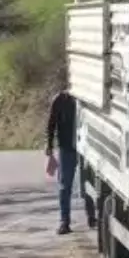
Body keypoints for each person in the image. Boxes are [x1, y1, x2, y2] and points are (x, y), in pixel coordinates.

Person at [46, 89, 95, 235]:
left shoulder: (87, 97)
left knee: (89, 183)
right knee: (64, 185)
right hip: (67, 148)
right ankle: (64, 221)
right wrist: (49, 145)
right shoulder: (60, 100)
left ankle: (91, 216)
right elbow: (51, 123)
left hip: (86, 149)